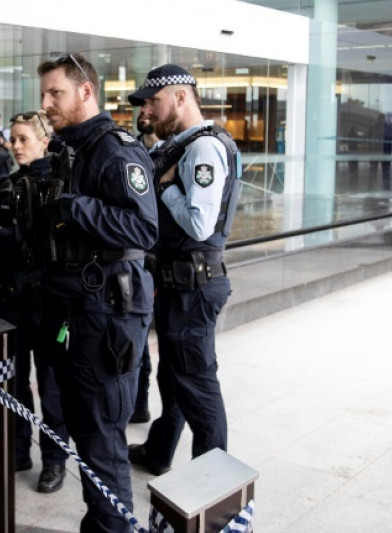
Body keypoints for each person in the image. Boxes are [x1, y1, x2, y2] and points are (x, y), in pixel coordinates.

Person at [33, 53, 158, 532]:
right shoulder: (72, 147)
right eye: (44, 93)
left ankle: (113, 527)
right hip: (78, 311)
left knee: (102, 436)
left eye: (55, 93)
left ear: (86, 92)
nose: (45, 102)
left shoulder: (114, 149)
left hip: (107, 314)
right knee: (87, 431)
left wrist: (74, 206)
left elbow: (144, 229)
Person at [126, 64, 241, 477]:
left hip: (193, 285)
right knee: (173, 377)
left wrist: (168, 188)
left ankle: (213, 485)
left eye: (154, 101)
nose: (149, 110)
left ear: (180, 96)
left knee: (197, 385)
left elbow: (199, 224)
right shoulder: (180, 145)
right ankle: (159, 453)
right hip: (178, 283)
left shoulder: (203, 150)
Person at [0, 110, 70, 494]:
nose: (15, 145)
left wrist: (8, 234)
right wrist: (25, 236)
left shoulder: (61, 184)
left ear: (45, 140)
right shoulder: (1, 185)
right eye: (13, 138)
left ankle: (55, 460)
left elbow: (60, 242)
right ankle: (19, 449)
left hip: (49, 304)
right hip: (10, 300)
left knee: (52, 386)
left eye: (23, 138)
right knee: (13, 382)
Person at [130, 111, 162, 425]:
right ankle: (137, 403)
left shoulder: (172, 152)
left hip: (157, 260)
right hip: (134, 260)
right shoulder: (129, 150)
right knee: (136, 339)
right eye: (139, 106)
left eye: (150, 104)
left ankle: (141, 401)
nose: (143, 112)